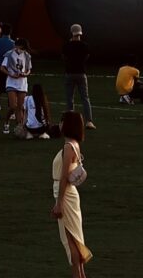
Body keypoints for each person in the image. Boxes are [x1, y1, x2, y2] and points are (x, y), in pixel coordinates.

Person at [48, 109, 93, 276]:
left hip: (65, 194)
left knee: (70, 241)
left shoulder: (68, 147)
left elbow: (64, 176)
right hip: (69, 194)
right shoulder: (74, 145)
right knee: (75, 239)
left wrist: (58, 203)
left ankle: (77, 274)